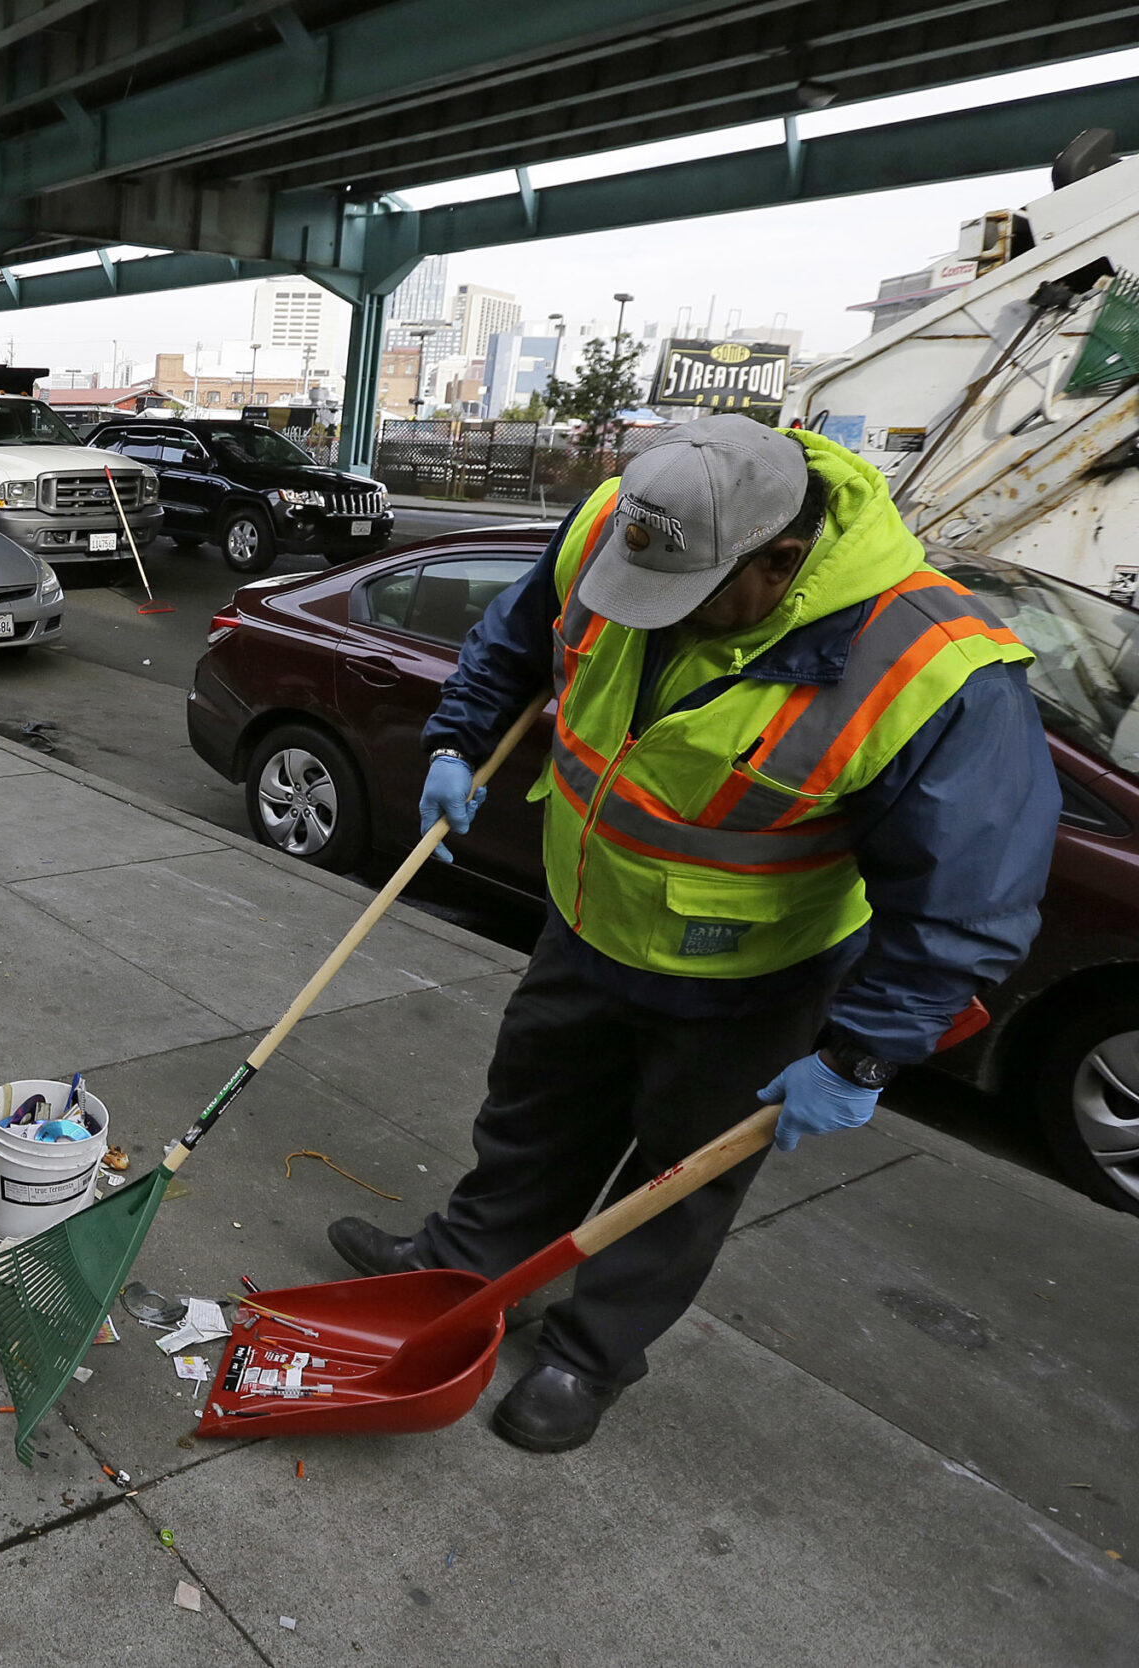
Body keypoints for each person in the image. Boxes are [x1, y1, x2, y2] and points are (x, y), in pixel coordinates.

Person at [327, 415, 1057, 1453]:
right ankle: (472, 1272)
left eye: (691, 599)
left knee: (676, 1182)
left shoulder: (934, 669)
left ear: (781, 560)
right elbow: (517, 638)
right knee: (532, 1113)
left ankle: (589, 1352)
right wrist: (459, 735)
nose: (652, 619)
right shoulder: (615, 529)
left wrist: (859, 1055)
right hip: (588, 921)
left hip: (755, 979)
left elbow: (966, 899)